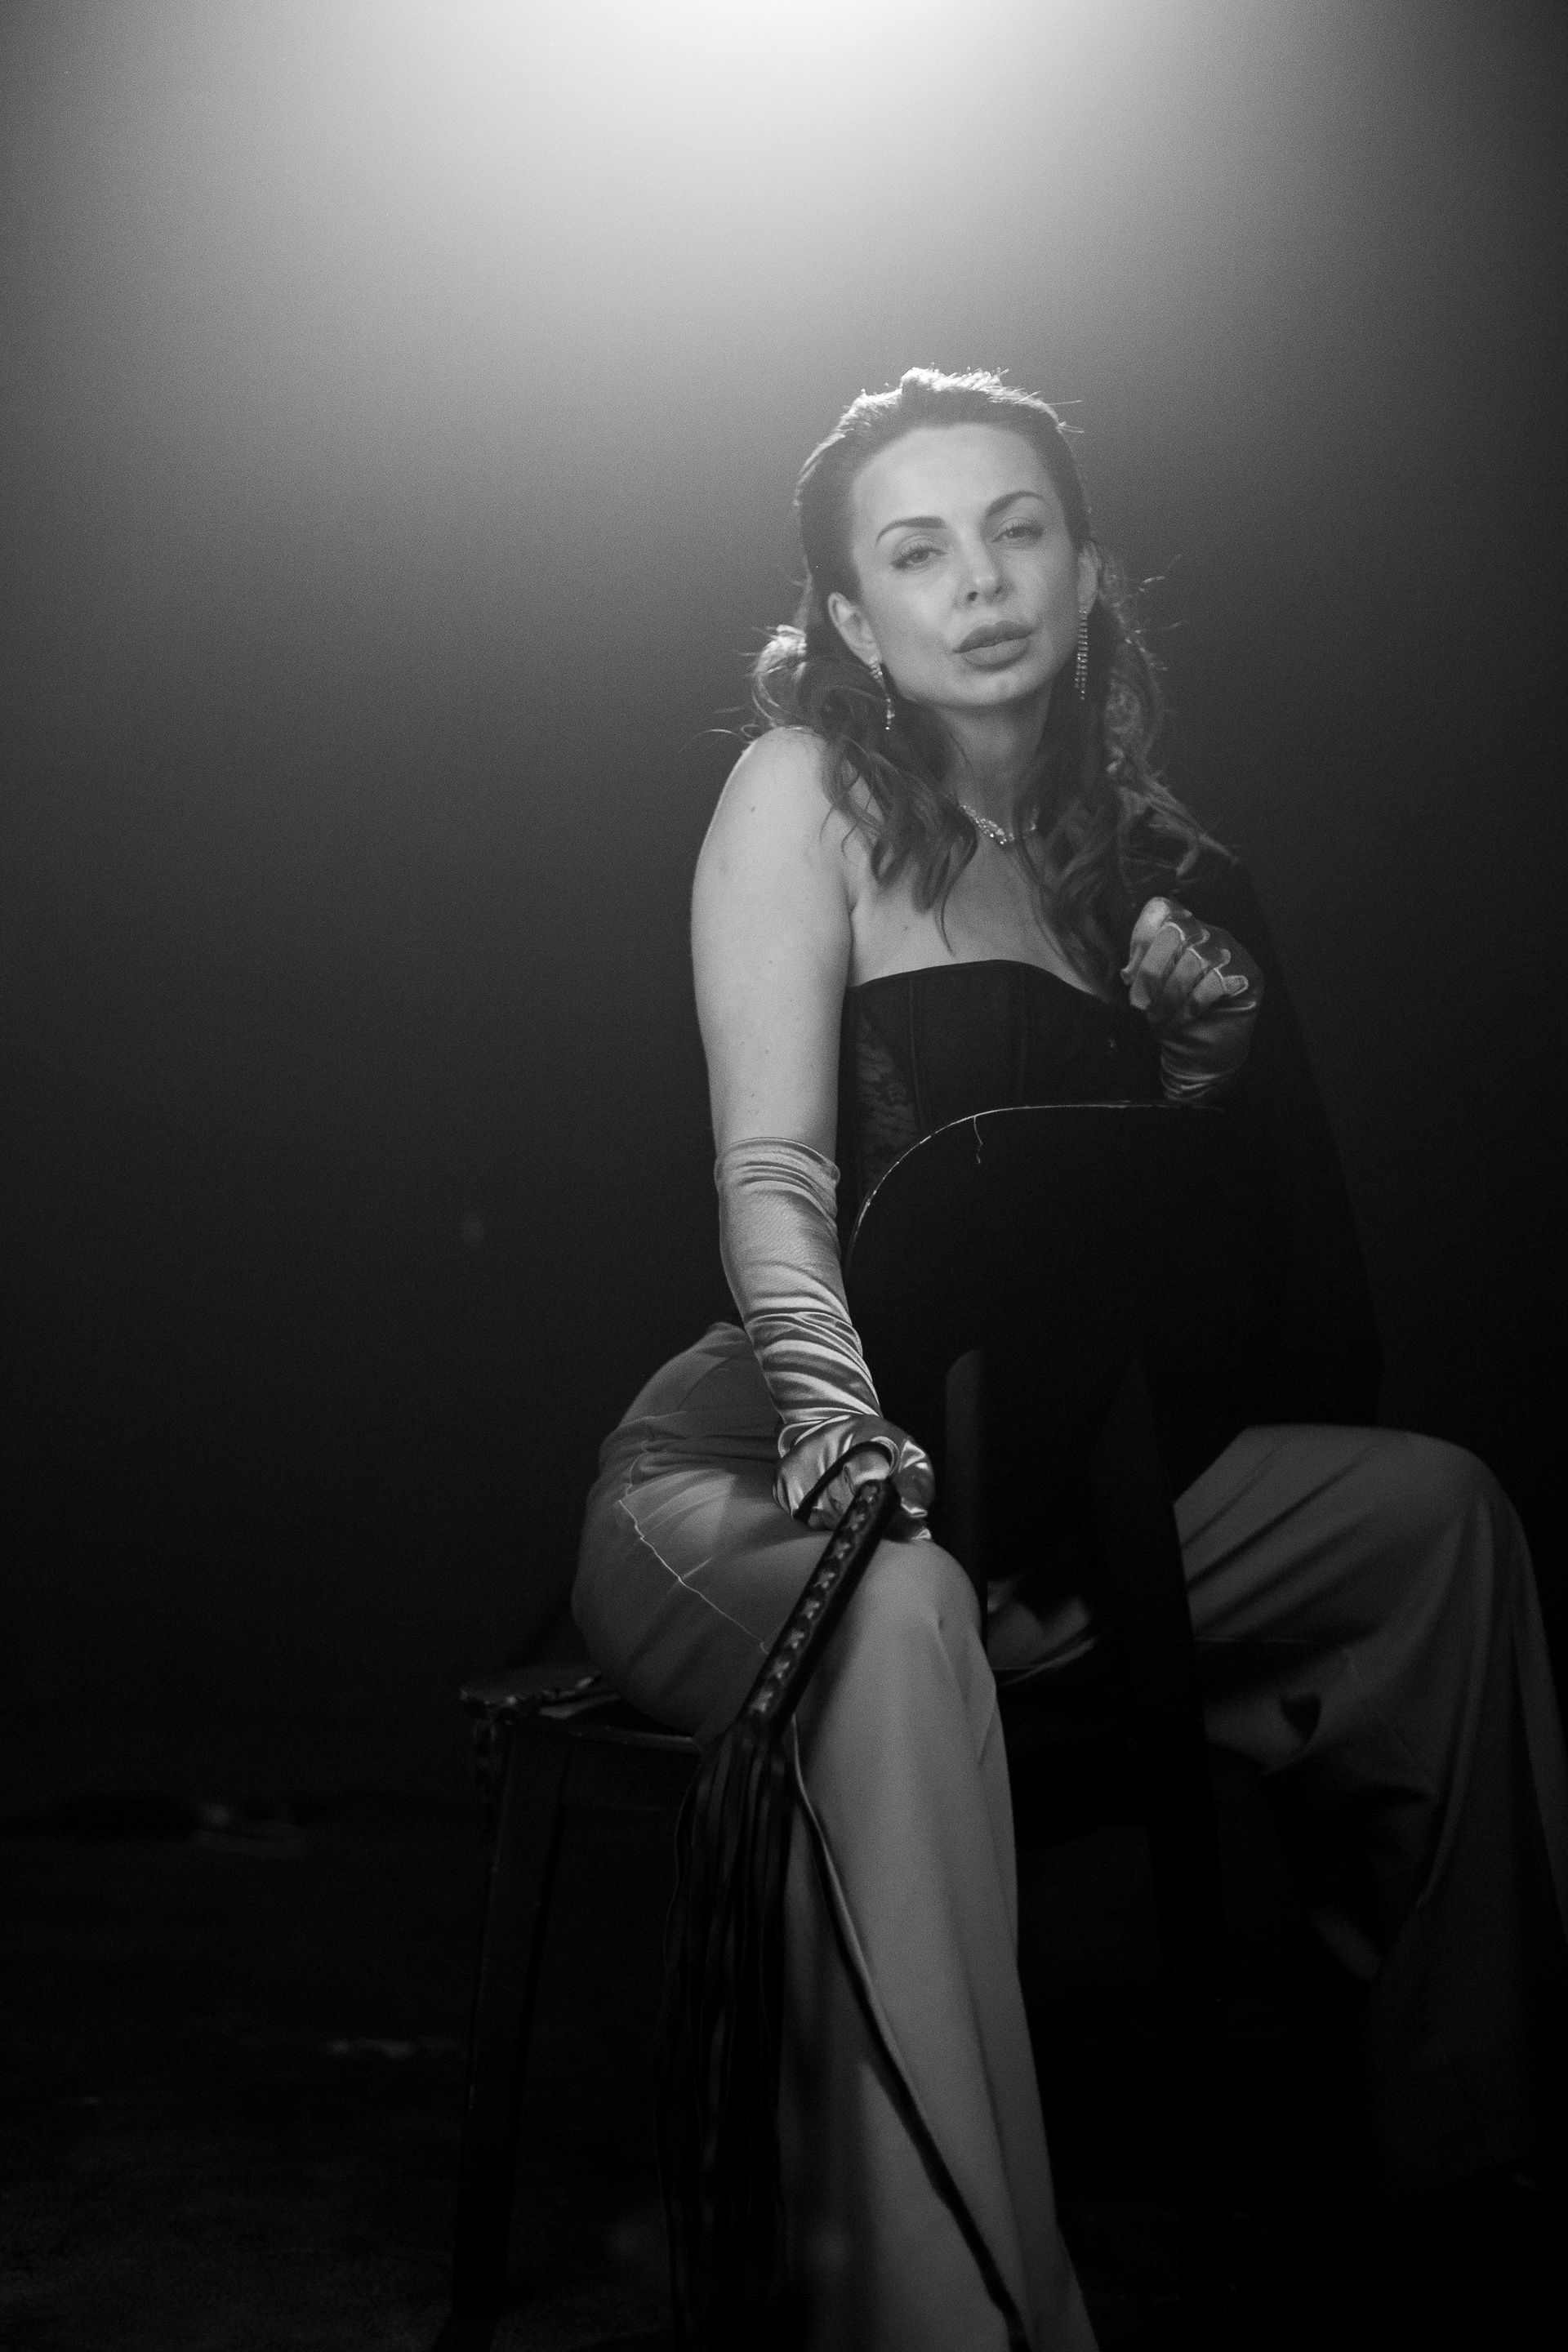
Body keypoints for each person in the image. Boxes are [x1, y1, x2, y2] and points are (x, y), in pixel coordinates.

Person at [572, 368, 1568, 2349]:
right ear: (853, 618)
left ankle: (1467, 2156)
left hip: (1036, 1475)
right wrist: (839, 1426)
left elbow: (1156, 1282)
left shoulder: (1138, 873)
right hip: (756, 1467)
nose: (981, 581)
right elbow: (774, 1171)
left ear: (1088, 571)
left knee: (1431, 1522)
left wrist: (1197, 1073)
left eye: (1019, 530)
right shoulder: (801, 793)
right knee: (902, 1615)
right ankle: (951, 2312)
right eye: (918, 551)